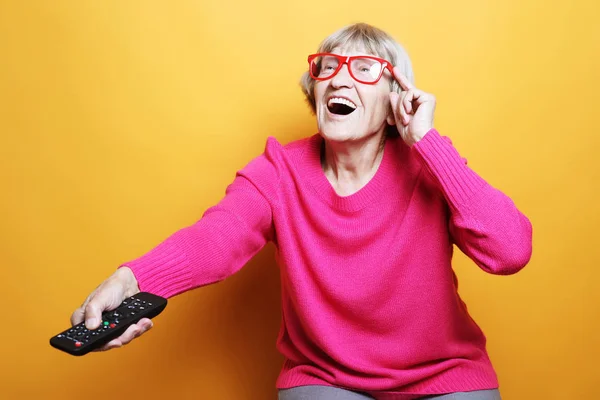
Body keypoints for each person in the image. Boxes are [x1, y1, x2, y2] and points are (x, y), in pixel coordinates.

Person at [70, 23, 532, 400]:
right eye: (328, 67)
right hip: (326, 377)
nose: (339, 79)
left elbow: (510, 251)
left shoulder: (430, 166)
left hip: (444, 375)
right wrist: (132, 279)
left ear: (396, 101)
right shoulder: (279, 171)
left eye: (365, 69)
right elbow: (214, 239)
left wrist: (428, 142)